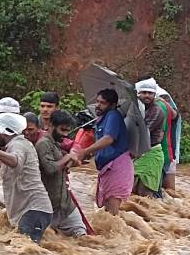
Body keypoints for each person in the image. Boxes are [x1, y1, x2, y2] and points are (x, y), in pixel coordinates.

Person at [0, 113, 54, 243]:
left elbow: (15, 161)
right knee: (20, 249)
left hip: (34, 209)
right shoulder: (16, 146)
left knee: (22, 250)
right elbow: (2, 163)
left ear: (4, 132)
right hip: (32, 210)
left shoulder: (18, 145)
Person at [71, 88, 132, 216]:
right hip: (108, 167)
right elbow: (101, 144)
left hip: (116, 167)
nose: (98, 105)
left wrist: (85, 151)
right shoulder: (102, 119)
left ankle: (115, 235)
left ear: (113, 105)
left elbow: (108, 139)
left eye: (103, 103)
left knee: (112, 213)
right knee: (106, 213)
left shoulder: (113, 115)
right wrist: (88, 154)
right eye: (97, 102)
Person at [35, 110, 88, 237]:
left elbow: (59, 166)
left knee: (83, 238)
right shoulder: (43, 144)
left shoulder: (55, 143)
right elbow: (50, 168)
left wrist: (71, 162)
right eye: (62, 130)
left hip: (66, 205)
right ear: (52, 126)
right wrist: (67, 157)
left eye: (67, 130)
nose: (65, 134)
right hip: (49, 207)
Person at [132, 78, 166, 197]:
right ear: (138, 94)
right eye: (144, 92)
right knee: (131, 190)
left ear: (154, 95)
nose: (147, 95)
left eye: (150, 93)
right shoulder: (136, 108)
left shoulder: (157, 111)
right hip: (138, 154)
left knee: (144, 194)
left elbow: (142, 131)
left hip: (151, 154)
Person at [156, 84, 181, 191]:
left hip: (161, 152)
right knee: (168, 191)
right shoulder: (165, 102)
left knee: (158, 190)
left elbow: (159, 134)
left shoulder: (160, 104)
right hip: (169, 152)